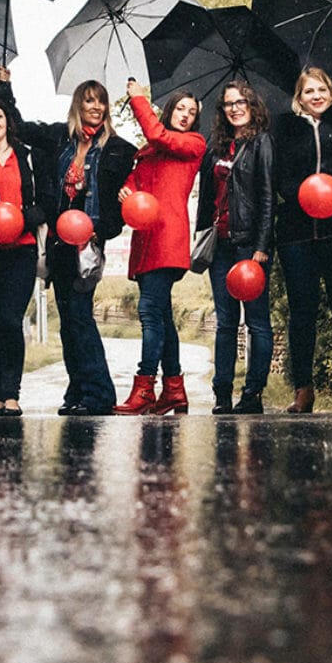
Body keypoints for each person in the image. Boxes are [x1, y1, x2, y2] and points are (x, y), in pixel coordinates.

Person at [0, 71, 135, 416]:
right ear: (78, 105)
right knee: (69, 321)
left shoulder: (118, 150)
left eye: (101, 101)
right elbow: (19, 126)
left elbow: (122, 203)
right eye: (89, 100)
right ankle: (77, 391)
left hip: (86, 245)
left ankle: (99, 393)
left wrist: (101, 232)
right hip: (59, 244)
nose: (96, 107)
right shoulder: (60, 138)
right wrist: (5, 88)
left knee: (80, 316)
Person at [114, 82, 206, 416]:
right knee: (163, 318)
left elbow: (157, 134)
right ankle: (174, 391)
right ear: (170, 111)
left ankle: (144, 389)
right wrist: (127, 190)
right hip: (145, 240)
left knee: (150, 312)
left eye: (192, 113)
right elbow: (137, 181)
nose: (185, 116)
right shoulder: (151, 151)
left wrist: (138, 97)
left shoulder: (192, 143)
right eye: (181, 109)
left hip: (168, 238)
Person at [272, 66, 332, 413]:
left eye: (322, 89)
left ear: (331, 91)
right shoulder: (287, 128)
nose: (317, 96)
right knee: (302, 313)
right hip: (297, 233)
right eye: (309, 91)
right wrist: (304, 196)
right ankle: (303, 390)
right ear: (299, 98)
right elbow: (280, 175)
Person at [0, 85, 56, 416]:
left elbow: (47, 201)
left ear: (8, 120)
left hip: (22, 248)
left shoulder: (29, 155)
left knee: (9, 318)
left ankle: (12, 395)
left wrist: (21, 221)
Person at [194, 80, 275, 415]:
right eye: (228, 104)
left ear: (252, 105)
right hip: (222, 246)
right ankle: (222, 393)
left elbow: (268, 197)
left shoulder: (261, 142)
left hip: (249, 246)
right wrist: (201, 237)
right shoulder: (215, 147)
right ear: (222, 110)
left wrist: (262, 246)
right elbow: (205, 196)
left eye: (241, 101)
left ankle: (253, 393)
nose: (235, 107)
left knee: (256, 320)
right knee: (225, 321)